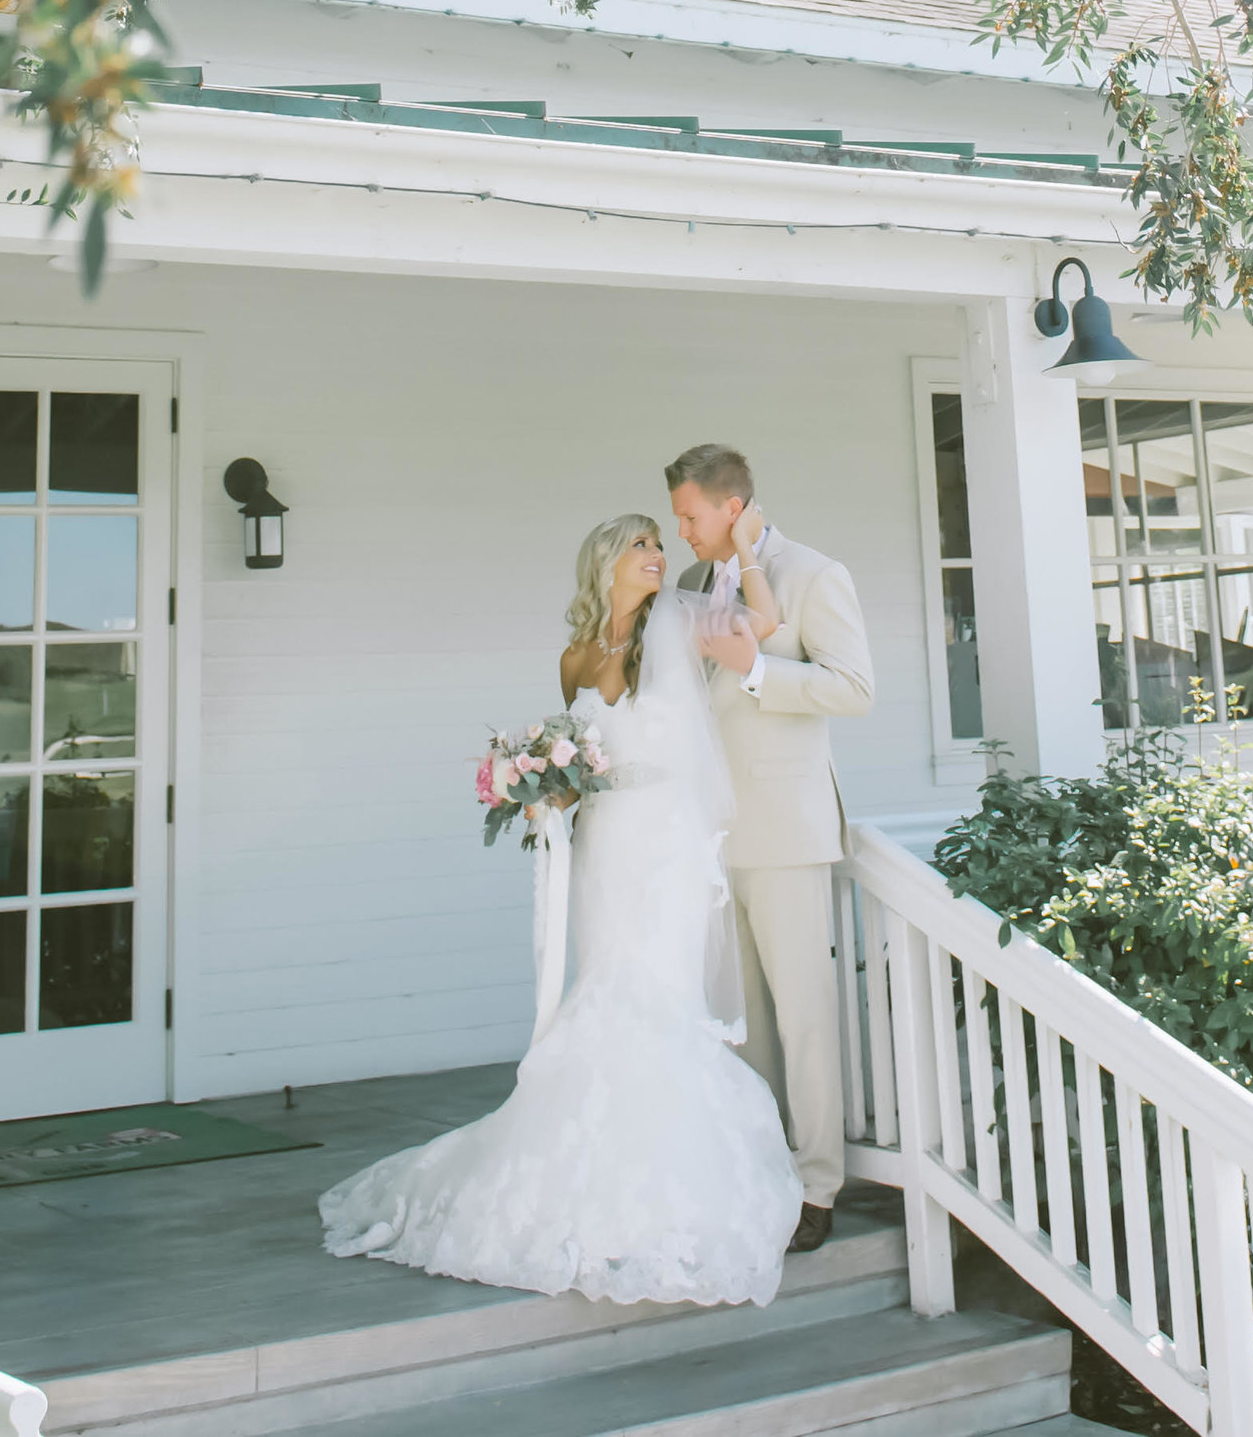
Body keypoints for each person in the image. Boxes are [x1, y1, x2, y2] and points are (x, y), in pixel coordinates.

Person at [318, 514, 803, 1305]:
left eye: (660, 543)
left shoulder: (682, 618)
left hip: (672, 842)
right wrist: (540, 790)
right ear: (608, 562)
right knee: (606, 981)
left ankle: (669, 1183)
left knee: (661, 994)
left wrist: (746, 543)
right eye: (643, 545)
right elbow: (585, 760)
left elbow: (767, 622)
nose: (658, 555)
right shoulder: (576, 656)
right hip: (607, 844)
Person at [666, 444, 874, 1254]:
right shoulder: (691, 588)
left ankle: (818, 1185)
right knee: (740, 1025)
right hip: (712, 837)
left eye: (690, 516)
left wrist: (758, 673)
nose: (682, 532)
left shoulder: (815, 575)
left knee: (804, 1019)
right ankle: (758, 1170)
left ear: (731, 506)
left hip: (786, 833)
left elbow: (854, 689)